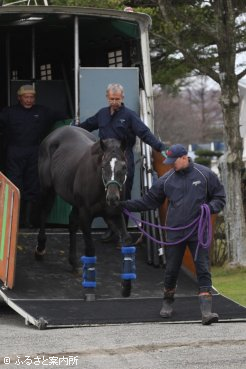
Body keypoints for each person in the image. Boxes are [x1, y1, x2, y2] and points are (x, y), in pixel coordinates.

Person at [120, 144, 226, 325]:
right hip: (175, 232)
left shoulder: (205, 174)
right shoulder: (166, 180)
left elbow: (220, 197)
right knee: (171, 270)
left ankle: (206, 311)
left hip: (198, 231)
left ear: (184, 158)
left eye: (173, 161)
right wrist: (124, 205)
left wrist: (210, 207)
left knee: (202, 268)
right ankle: (168, 302)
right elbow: (149, 201)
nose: (171, 165)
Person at [78, 83, 166, 241]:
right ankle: (110, 230)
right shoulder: (102, 114)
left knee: (122, 195)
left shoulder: (130, 115)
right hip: (104, 160)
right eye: (111, 99)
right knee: (103, 193)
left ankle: (121, 232)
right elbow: (86, 126)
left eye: (117, 99)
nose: (114, 102)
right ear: (107, 98)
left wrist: (160, 147)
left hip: (123, 159)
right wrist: (73, 129)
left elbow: (144, 133)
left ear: (122, 97)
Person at [0, 84, 66, 227]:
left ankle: (28, 221)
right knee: (14, 186)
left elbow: (62, 115)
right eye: (26, 97)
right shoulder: (9, 112)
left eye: (31, 97)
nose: (29, 100)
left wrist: (75, 120)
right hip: (14, 153)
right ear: (19, 98)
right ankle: (14, 220)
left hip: (34, 152)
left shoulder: (42, 111)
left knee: (32, 186)